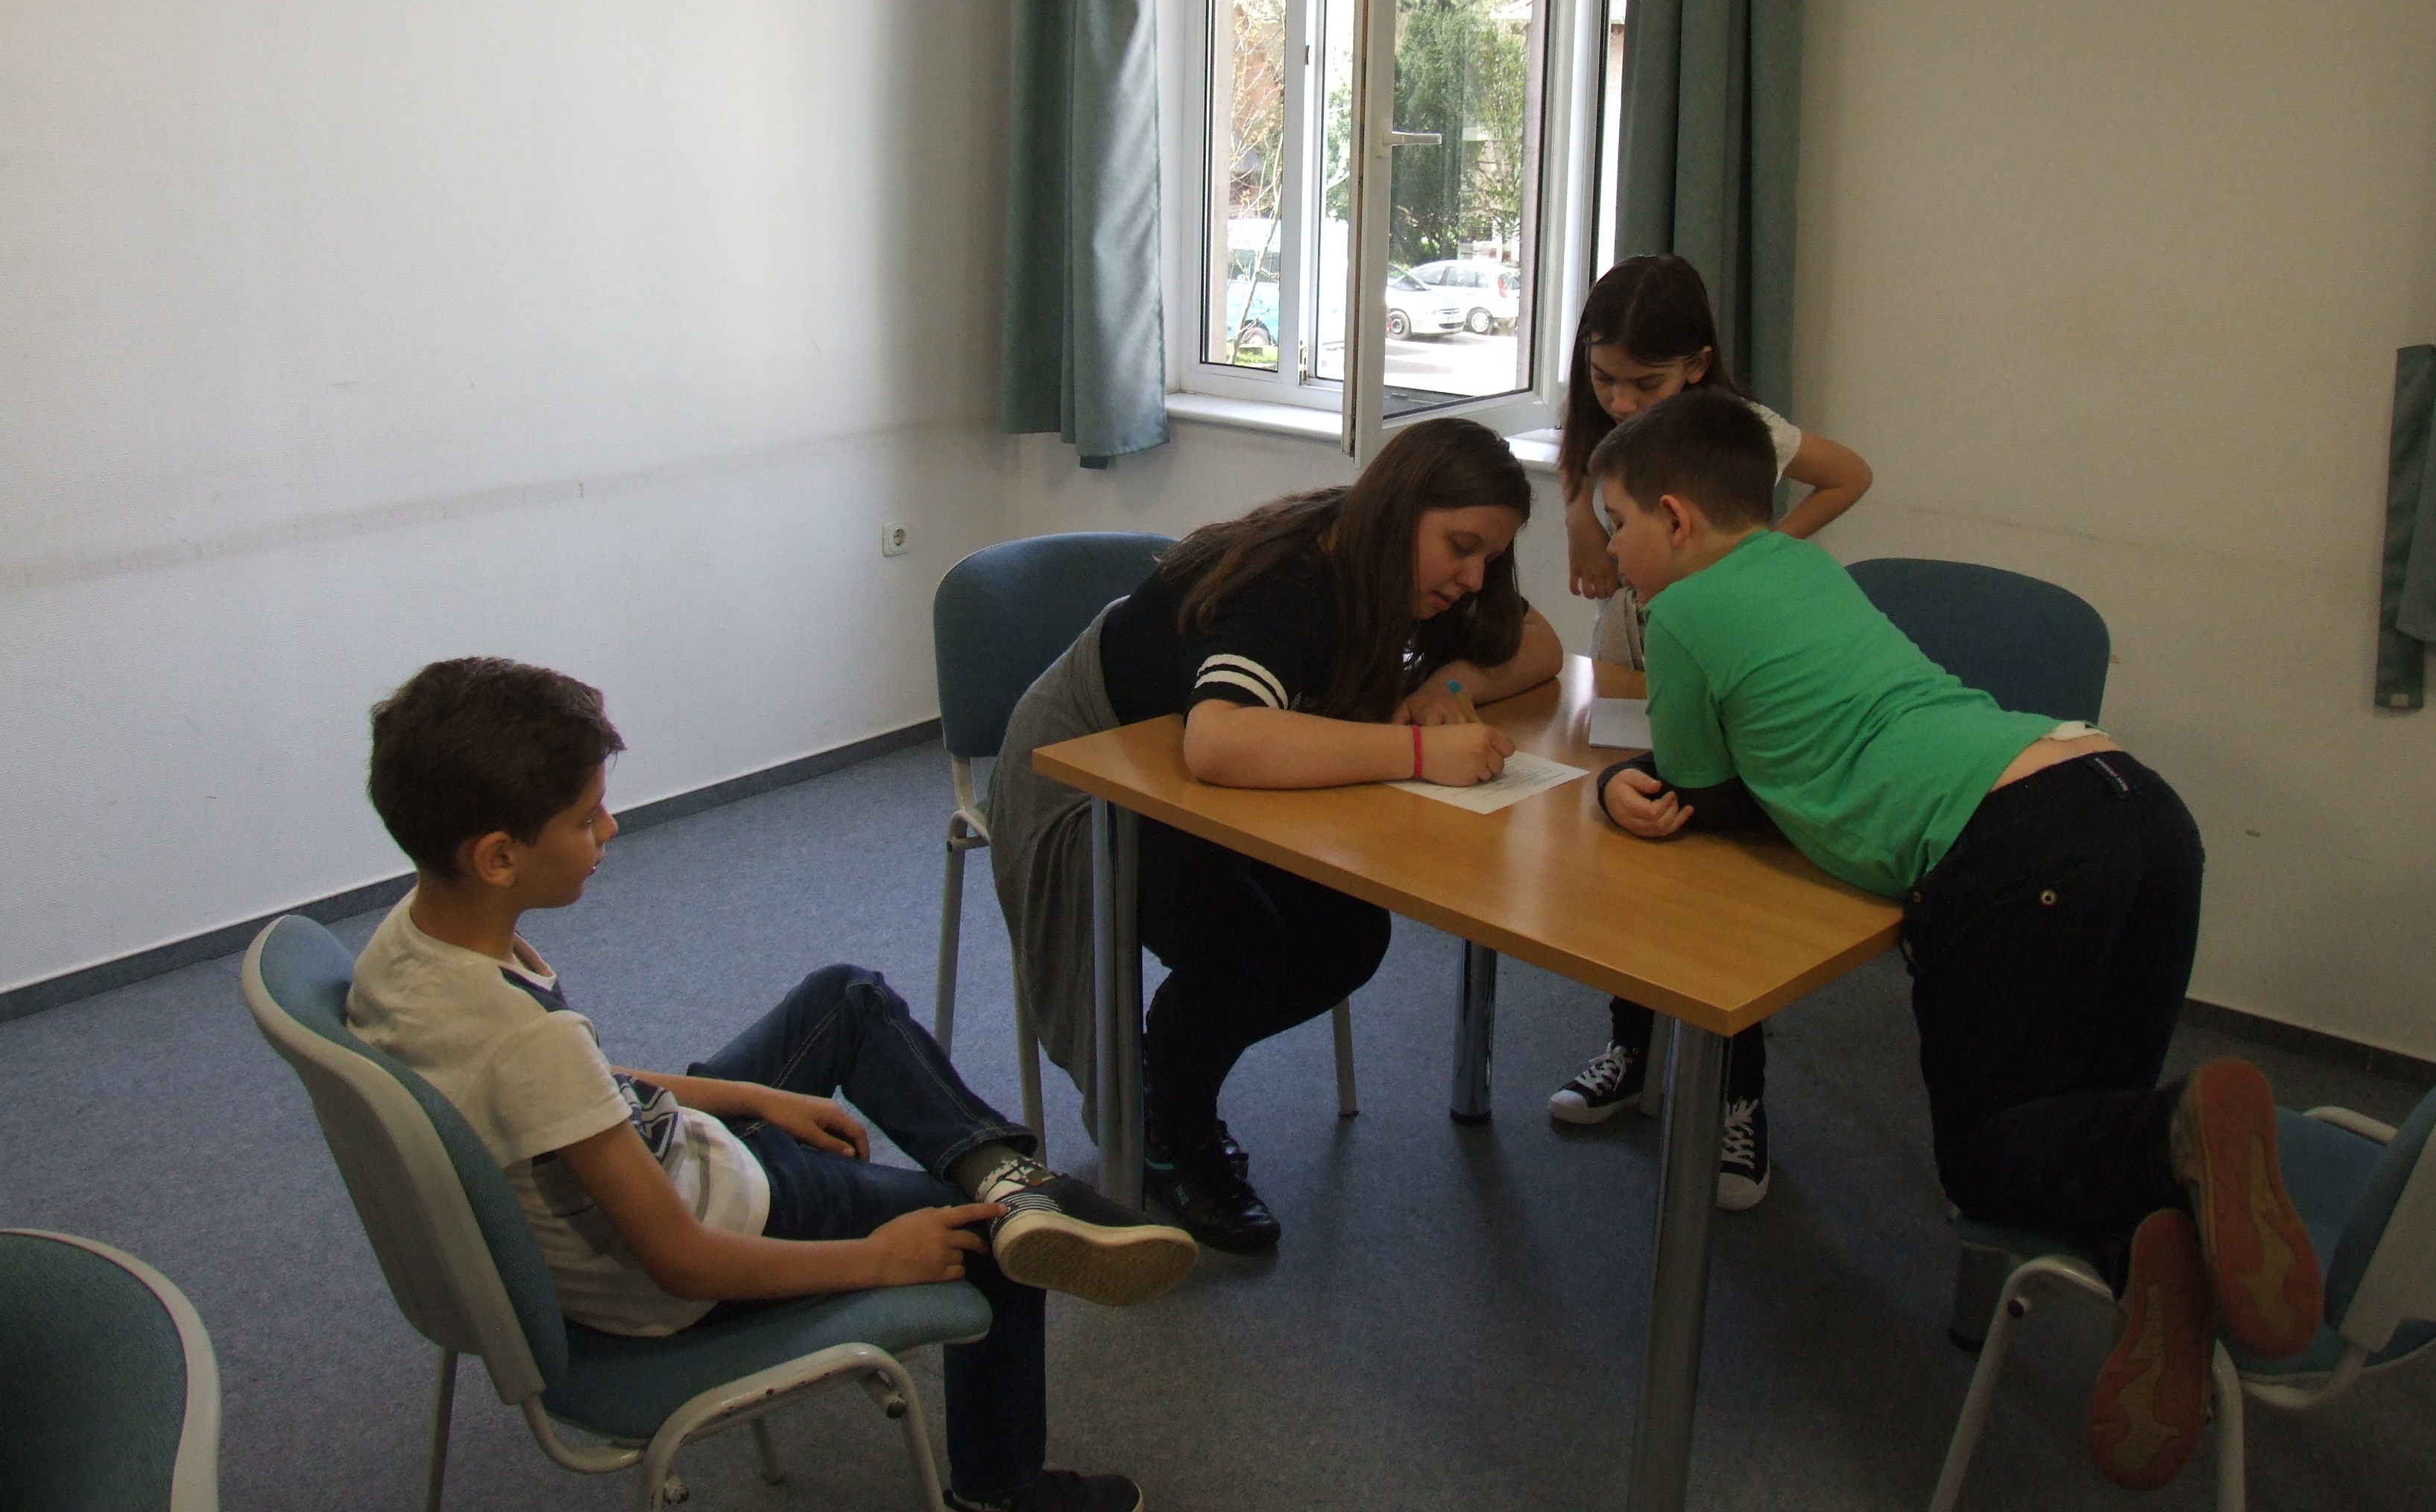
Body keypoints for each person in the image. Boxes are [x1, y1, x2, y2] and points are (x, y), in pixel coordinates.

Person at [1585, 390, 2321, 1491]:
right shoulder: (1809, 568)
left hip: (2012, 847)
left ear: (1677, 521)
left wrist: (1609, 789)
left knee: (1988, 1161)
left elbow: (1700, 790)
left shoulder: (1682, 615)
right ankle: (2152, 1259)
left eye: (1617, 526)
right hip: (2131, 800)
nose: (1611, 552)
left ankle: (2182, 1123)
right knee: (2084, 1126)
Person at [350, 659, 1192, 1512]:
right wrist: (875, 1260)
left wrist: (751, 1097)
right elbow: (681, 1259)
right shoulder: (527, 1047)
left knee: (844, 999)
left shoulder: (406, 952)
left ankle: (1004, 1173)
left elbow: (577, 1092)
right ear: (497, 857)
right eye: (584, 816)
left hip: (656, 1151)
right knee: (987, 1245)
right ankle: (1000, 1488)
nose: (609, 827)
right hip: (716, 1224)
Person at [989, 418, 1564, 1253]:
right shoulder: (1293, 586)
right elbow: (1218, 743)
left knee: (1349, 934)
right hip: (1082, 780)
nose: (1473, 578)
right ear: (1399, 512)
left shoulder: (1399, 564)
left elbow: (1541, 645)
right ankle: (1173, 1129)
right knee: (1242, 945)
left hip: (1186, 783)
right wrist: (1419, 752)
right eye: (1461, 547)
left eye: (1490, 556)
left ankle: (1161, 1077)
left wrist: (1446, 682)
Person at [1546, 253, 1875, 1212]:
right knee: (1629, 849)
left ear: (1695, 365)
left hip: (1722, 666)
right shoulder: (1604, 423)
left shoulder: (1742, 431)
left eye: (1642, 385)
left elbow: (1849, 476)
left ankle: (1737, 1100)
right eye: (1602, 378)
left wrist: (1757, 556)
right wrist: (1580, 523)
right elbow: (1587, 484)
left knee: (1714, 883)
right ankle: (1628, 1048)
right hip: (1634, 655)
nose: (1617, 401)